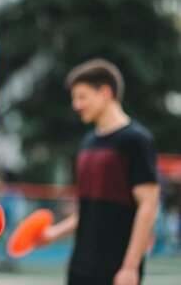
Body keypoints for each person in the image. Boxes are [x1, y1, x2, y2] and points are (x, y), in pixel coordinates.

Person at [39, 59, 159, 285]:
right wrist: (53, 234)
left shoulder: (136, 141)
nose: (76, 105)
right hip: (80, 267)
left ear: (105, 93)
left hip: (116, 270)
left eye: (82, 97)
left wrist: (130, 267)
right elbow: (89, 208)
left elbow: (148, 206)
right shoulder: (88, 143)